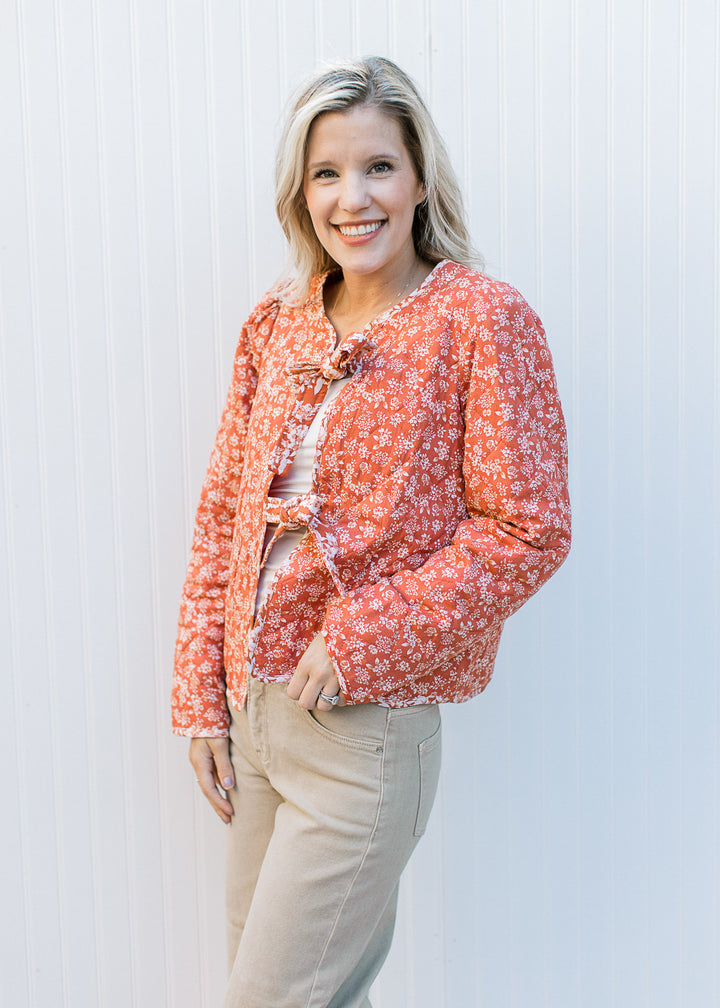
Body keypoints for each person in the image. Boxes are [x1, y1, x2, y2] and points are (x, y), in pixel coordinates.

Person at [172, 55, 571, 1008]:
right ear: (300, 191)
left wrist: (360, 638)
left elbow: (529, 529)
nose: (353, 197)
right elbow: (224, 511)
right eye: (326, 173)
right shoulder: (276, 325)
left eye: (378, 168)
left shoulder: (483, 318)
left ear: (420, 177)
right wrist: (200, 695)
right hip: (255, 720)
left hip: (365, 733)